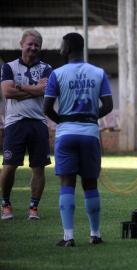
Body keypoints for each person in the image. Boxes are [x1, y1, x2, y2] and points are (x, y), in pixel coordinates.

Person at [43, 32, 113, 247]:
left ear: (69, 48)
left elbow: (47, 108)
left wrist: (63, 121)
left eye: (62, 46)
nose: (59, 50)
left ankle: (69, 237)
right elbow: (108, 106)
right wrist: (91, 118)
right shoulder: (98, 72)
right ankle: (95, 234)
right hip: (90, 133)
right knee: (90, 183)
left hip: (66, 133)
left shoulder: (58, 73)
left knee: (67, 183)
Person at [0, 29, 52, 220]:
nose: (33, 47)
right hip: (15, 123)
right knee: (9, 166)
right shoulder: (9, 67)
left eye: (37, 44)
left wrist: (20, 87)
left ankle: (33, 208)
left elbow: (45, 91)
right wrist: (35, 89)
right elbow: (7, 92)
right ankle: (5, 204)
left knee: (39, 167)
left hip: (38, 123)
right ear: (21, 44)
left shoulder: (46, 68)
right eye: (30, 43)